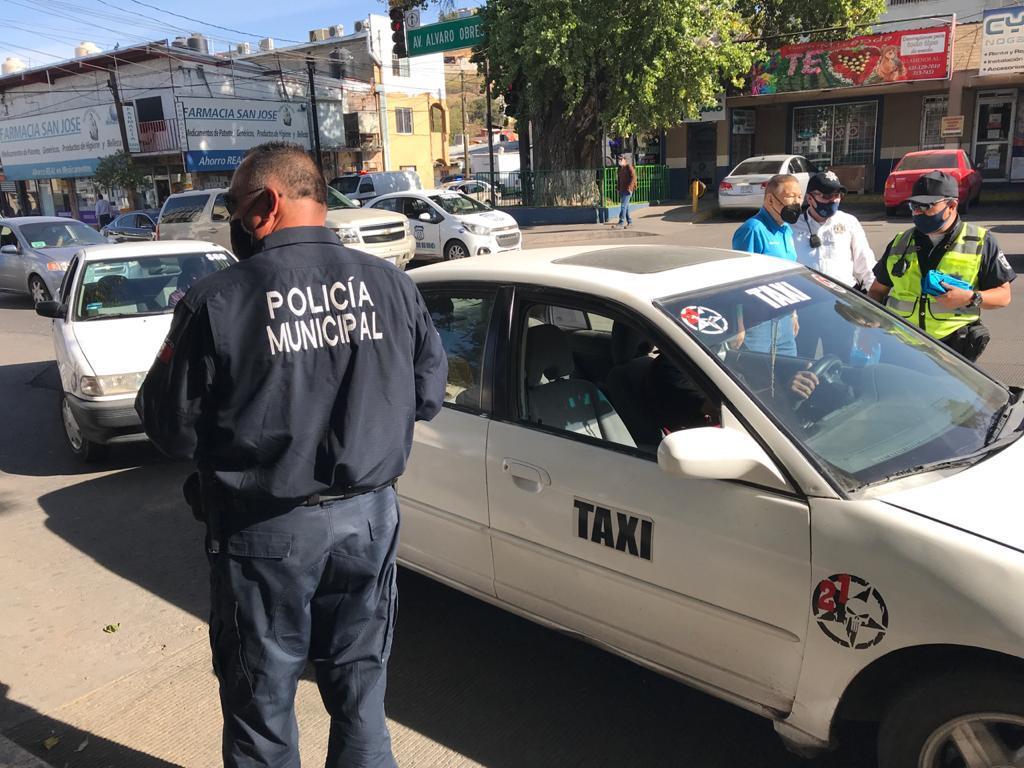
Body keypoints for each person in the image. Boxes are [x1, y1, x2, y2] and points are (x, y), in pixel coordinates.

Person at [135, 141, 448, 768]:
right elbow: (427, 395)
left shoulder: (217, 300)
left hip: (266, 532)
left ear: (267, 204)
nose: (232, 220)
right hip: (369, 520)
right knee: (362, 692)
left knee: (263, 706)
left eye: (233, 207)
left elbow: (169, 426)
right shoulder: (391, 284)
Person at [869, 171, 1014, 362]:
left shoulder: (980, 241)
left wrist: (971, 298)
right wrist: (870, 328)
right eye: (914, 206)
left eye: (926, 206)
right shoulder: (900, 242)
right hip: (901, 346)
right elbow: (877, 291)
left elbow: (1004, 295)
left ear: (952, 205)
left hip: (952, 351)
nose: (918, 213)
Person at [791, 170, 876, 357]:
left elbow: (866, 265)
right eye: (827, 195)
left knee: (840, 362)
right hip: (805, 307)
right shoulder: (792, 226)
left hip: (842, 307)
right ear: (810, 198)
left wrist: (873, 308)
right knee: (801, 364)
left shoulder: (848, 222)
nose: (833, 200)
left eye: (837, 195)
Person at [731, 174, 803, 355]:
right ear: (771, 199)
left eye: (799, 197)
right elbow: (737, 280)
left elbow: (790, 275)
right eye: (790, 196)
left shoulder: (786, 229)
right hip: (758, 322)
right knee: (758, 376)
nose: (796, 202)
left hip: (784, 318)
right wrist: (738, 324)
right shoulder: (753, 230)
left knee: (787, 374)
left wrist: (793, 313)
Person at [613, 154, 637, 229]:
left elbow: (634, 177)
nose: (619, 161)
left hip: (628, 190)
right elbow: (619, 179)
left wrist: (630, 187)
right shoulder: (620, 169)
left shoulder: (629, 167)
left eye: (621, 159)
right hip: (622, 190)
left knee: (623, 206)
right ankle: (630, 222)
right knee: (626, 207)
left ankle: (621, 222)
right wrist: (617, 188)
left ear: (625, 160)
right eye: (618, 160)